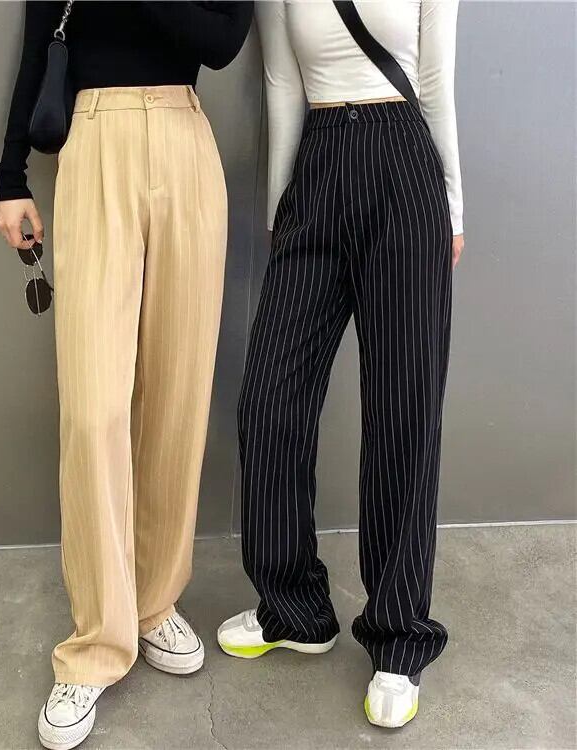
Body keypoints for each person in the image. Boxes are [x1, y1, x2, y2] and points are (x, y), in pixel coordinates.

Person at [0, 3, 252, 748]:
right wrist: (10, 176)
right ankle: (95, 644)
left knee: (177, 391)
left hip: (184, 136)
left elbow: (222, 41)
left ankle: (152, 601)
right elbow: (37, 45)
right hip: (93, 139)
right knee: (93, 406)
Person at [217, 0, 464, 729]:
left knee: (403, 411)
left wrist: (453, 210)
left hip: (405, 171)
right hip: (317, 172)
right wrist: (280, 210)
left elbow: (437, 79)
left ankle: (399, 636)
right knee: (269, 401)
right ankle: (295, 609)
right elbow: (282, 84)